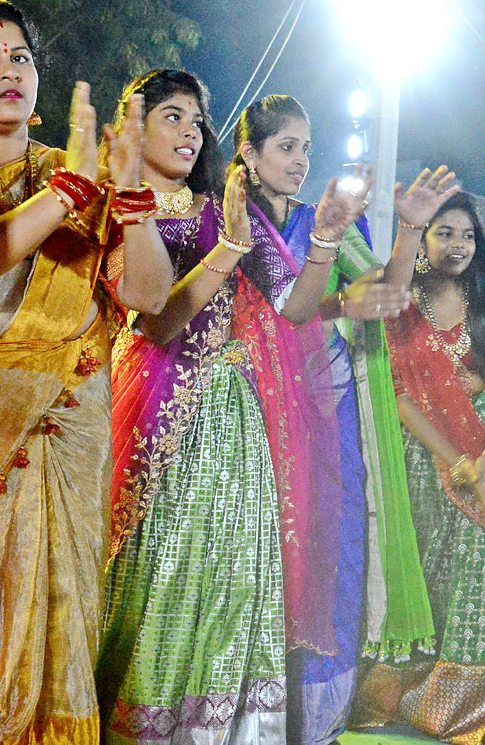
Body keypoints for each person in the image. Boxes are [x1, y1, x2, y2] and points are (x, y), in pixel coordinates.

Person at [0, 0, 173, 744]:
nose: (9, 71)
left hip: (67, 422)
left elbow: (145, 295)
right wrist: (70, 196)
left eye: (22, 57)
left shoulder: (73, 168)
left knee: (62, 610)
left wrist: (133, 195)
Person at [97, 71, 370, 745]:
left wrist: (328, 240)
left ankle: (227, 731)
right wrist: (227, 250)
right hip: (162, 405)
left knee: (236, 582)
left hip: (235, 418)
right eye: (171, 116)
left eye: (197, 119)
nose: (190, 131)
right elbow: (153, 323)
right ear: (133, 127)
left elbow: (294, 306)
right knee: (157, 575)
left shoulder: (220, 209)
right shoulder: (120, 209)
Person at [229, 93, 458, 745]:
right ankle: (252, 721)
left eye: (306, 147)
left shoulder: (321, 219)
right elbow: (291, 308)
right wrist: (336, 298)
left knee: (337, 559)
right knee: (260, 568)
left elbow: (385, 298)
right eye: (286, 147)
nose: (301, 161)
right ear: (249, 153)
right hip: (255, 420)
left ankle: (318, 723)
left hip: (332, 420)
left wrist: (409, 231)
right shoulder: (232, 222)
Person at [353, 192, 485, 745]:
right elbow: (397, 393)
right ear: (422, 242)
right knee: (425, 576)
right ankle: (404, 695)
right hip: (422, 457)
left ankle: (469, 716)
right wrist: (455, 463)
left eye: (468, 235)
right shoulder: (403, 302)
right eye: (444, 233)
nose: (458, 245)